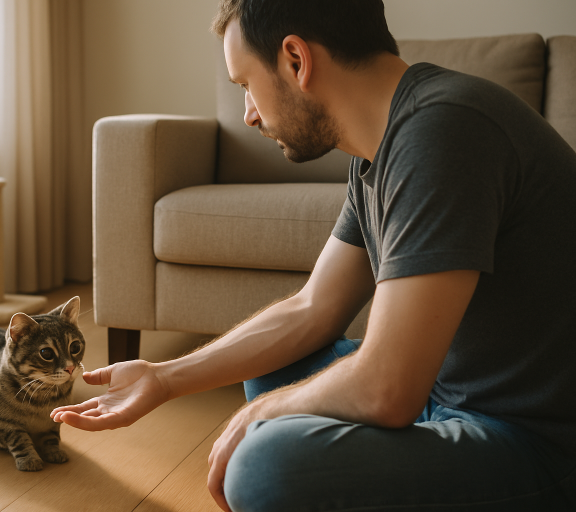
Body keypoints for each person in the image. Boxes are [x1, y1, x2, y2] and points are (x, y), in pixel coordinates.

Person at [52, 1, 576, 510]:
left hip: (535, 442)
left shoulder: (444, 130)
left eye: (246, 85)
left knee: (262, 467)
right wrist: (165, 377)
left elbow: (388, 387)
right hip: (445, 392)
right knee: (276, 367)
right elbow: (313, 309)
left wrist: (263, 413)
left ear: (296, 60)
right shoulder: (382, 145)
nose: (249, 114)